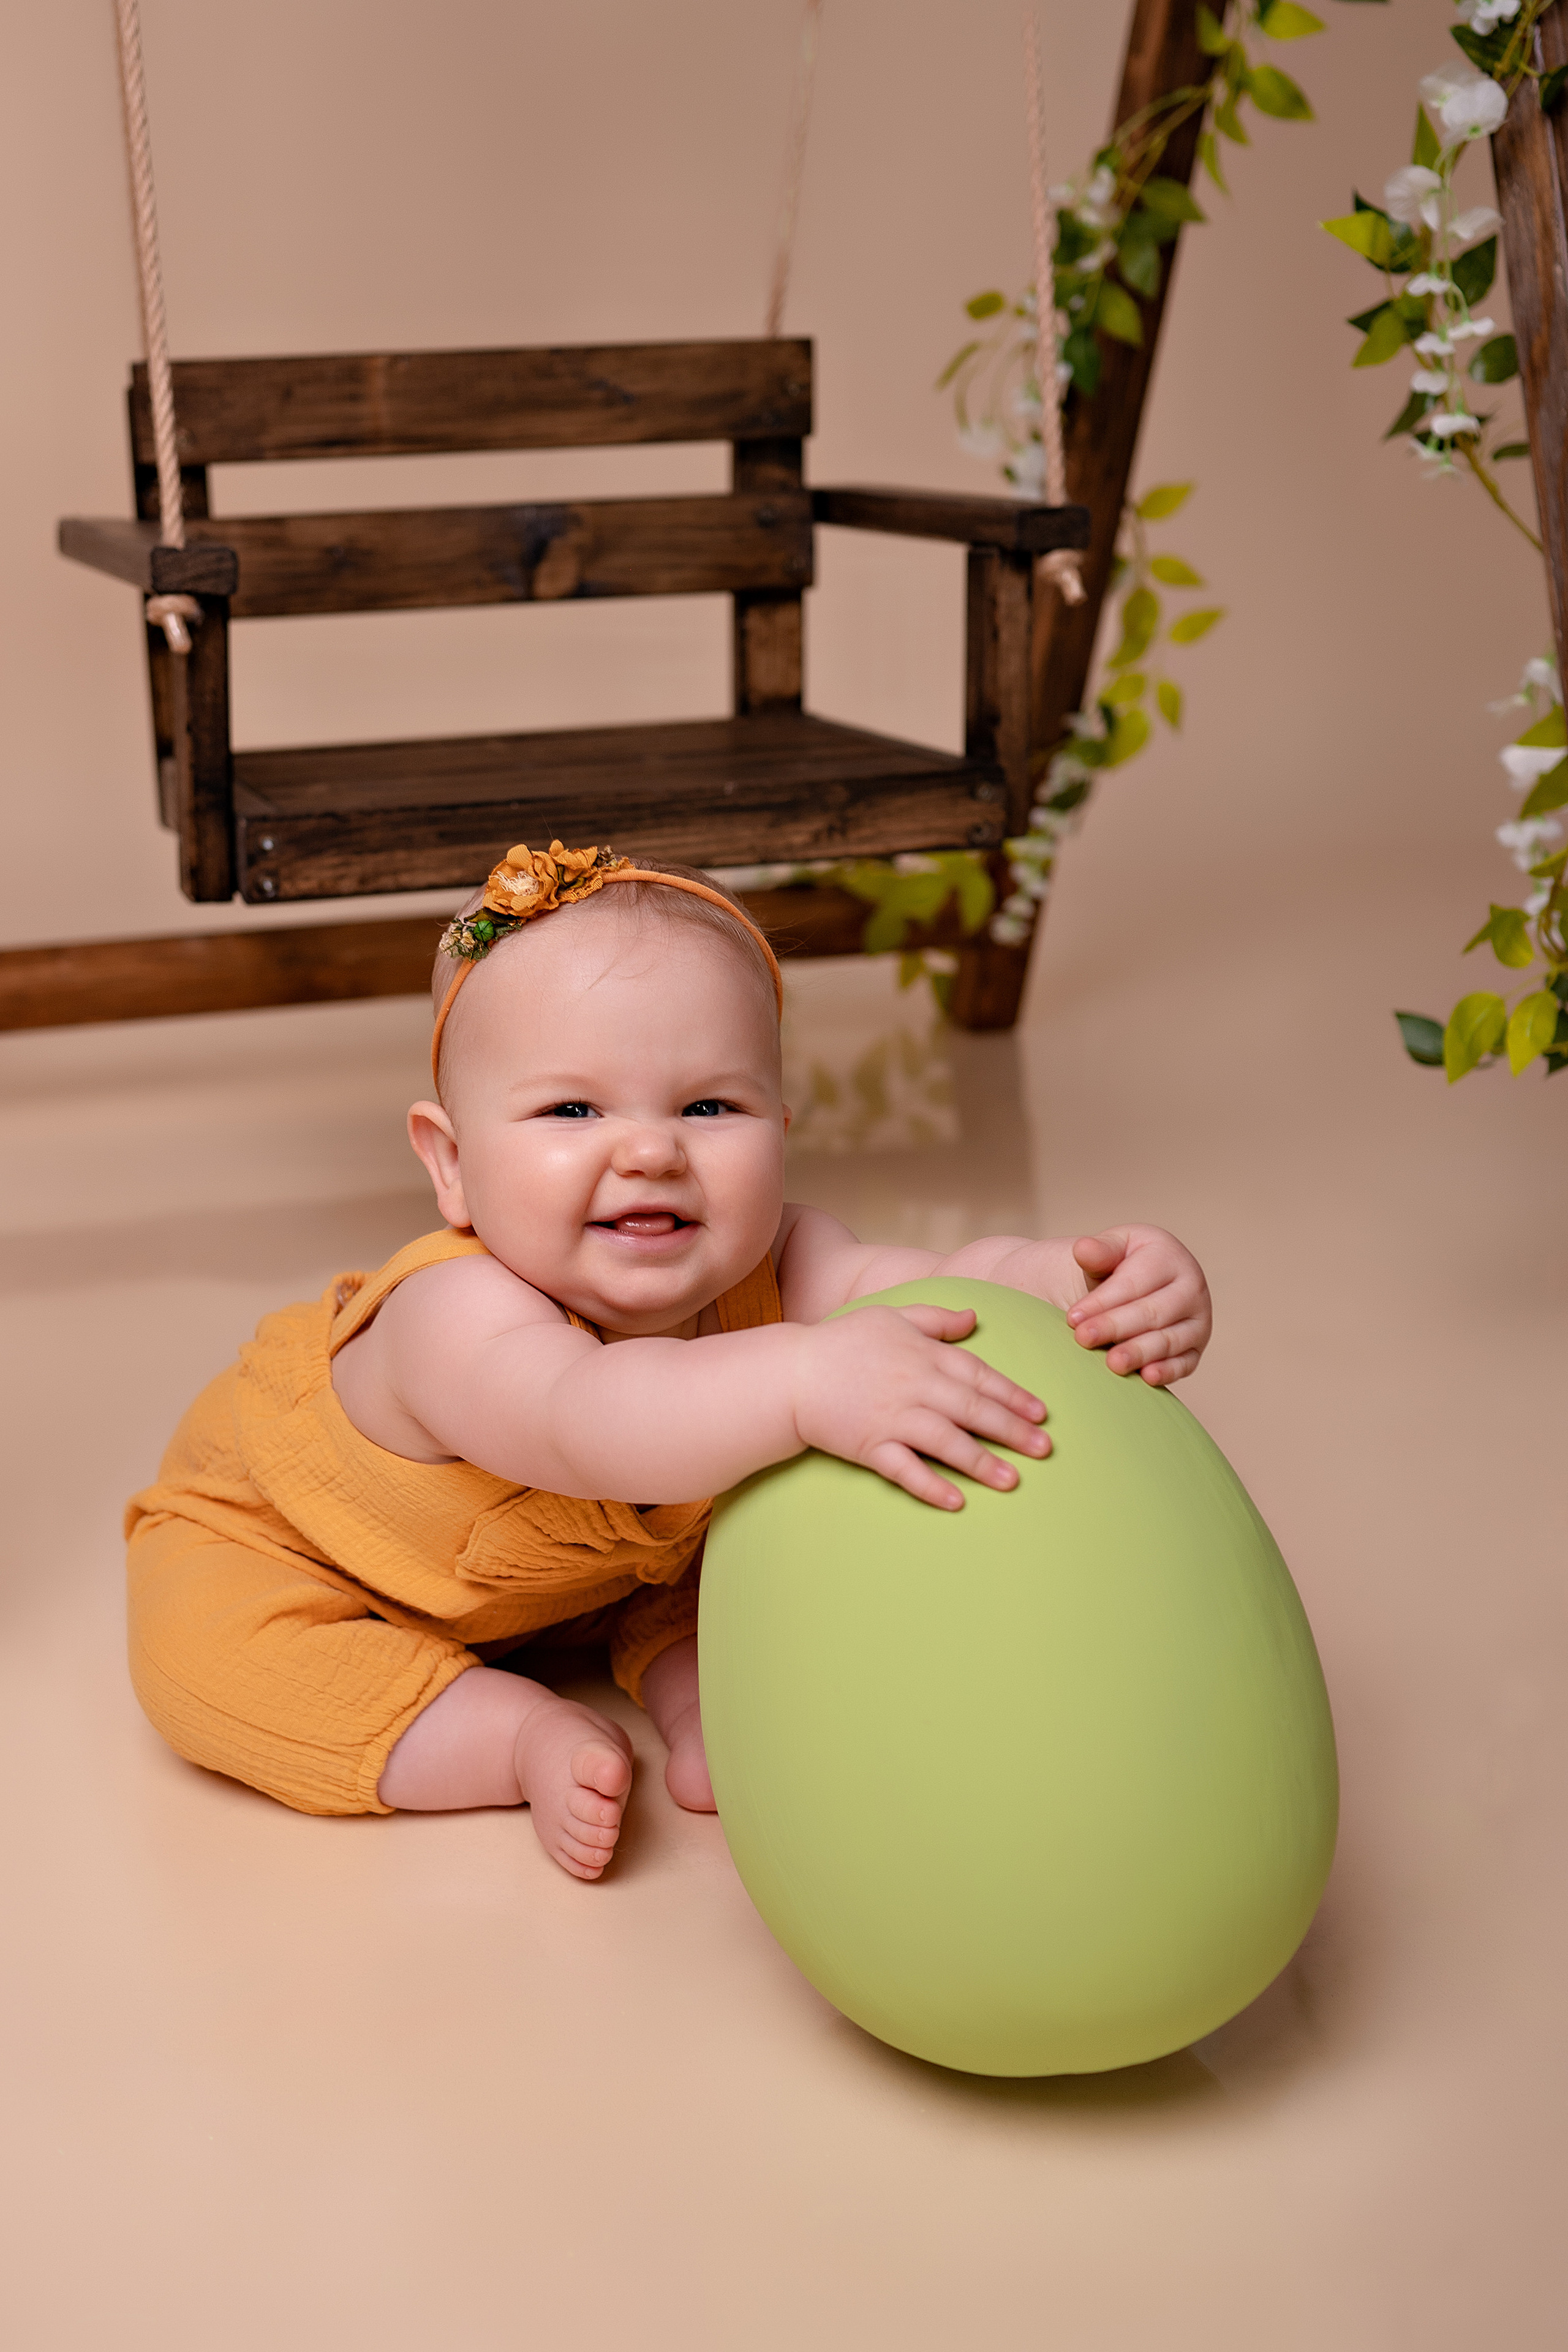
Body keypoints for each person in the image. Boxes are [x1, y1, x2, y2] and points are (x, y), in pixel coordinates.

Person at [127, 842, 1212, 1879]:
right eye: (571, 1109)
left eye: (709, 1106)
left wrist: (1074, 1282)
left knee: (730, 1551)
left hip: (582, 1575)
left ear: (781, 1130)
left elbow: (926, 1293)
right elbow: (586, 1416)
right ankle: (504, 1736)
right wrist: (804, 1378)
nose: (650, 1150)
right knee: (204, 1661)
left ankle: (713, 1716)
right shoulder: (450, 1314)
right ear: (452, 1166)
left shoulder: (777, 1257)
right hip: (291, 1554)